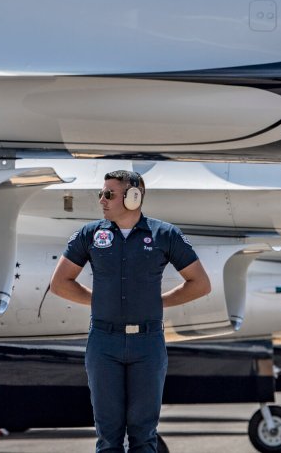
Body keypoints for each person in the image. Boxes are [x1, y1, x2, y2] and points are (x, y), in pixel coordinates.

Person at [50, 170, 211, 452]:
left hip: (147, 344)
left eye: (109, 194)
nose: (102, 200)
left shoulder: (165, 234)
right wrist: (100, 301)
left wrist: (157, 303)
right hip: (103, 342)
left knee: (143, 434)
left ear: (134, 197)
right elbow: (60, 283)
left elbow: (200, 284)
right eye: (101, 193)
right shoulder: (90, 234)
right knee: (108, 436)